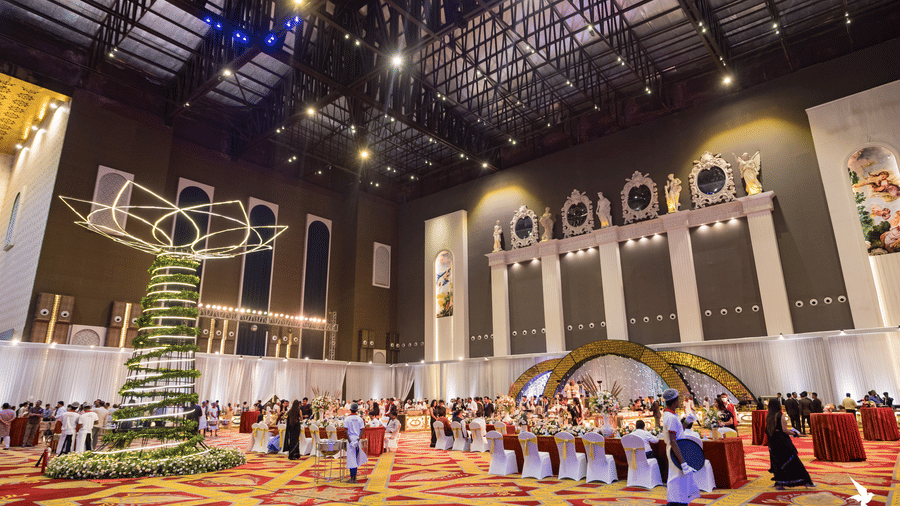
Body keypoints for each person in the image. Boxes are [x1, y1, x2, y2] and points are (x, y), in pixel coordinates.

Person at [661, 388, 699, 506]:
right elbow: (673, 440)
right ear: (674, 401)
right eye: (677, 400)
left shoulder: (670, 414)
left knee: (678, 479)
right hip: (675, 450)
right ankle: (676, 503)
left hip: (676, 448)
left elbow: (678, 431)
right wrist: (682, 462)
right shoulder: (671, 417)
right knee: (677, 479)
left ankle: (677, 502)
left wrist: (687, 422)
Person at [766, 398, 814, 489]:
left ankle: (780, 483)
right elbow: (784, 430)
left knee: (778, 461)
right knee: (793, 460)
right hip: (782, 441)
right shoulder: (780, 416)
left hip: (773, 442)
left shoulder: (769, 416)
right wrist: (795, 433)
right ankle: (806, 481)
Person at [344, 403, 368, 483]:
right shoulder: (360, 419)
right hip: (357, 438)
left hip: (350, 438)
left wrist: (350, 441)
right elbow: (362, 430)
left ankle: (352, 477)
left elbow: (345, 430)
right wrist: (358, 439)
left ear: (350, 409)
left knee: (351, 459)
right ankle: (354, 477)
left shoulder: (347, 419)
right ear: (357, 410)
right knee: (356, 458)